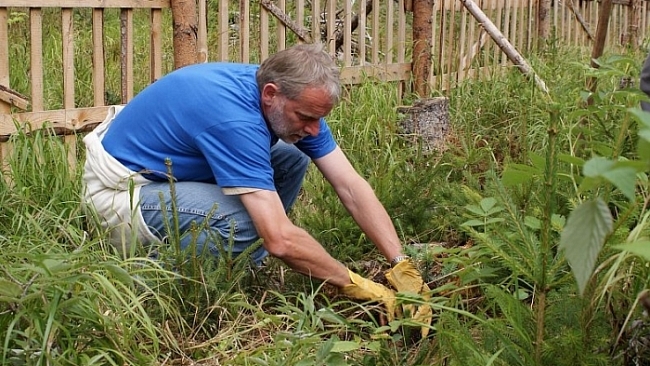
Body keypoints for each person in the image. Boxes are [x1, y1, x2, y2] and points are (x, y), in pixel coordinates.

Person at [82, 43, 431, 335]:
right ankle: (152, 282)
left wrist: (400, 263)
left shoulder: (286, 95)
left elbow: (350, 185)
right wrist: (359, 286)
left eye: (318, 119)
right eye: (305, 117)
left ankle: (242, 264)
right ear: (270, 94)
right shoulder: (235, 119)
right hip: (120, 194)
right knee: (249, 224)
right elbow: (278, 237)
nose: (312, 128)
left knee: (293, 158)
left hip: (172, 176)